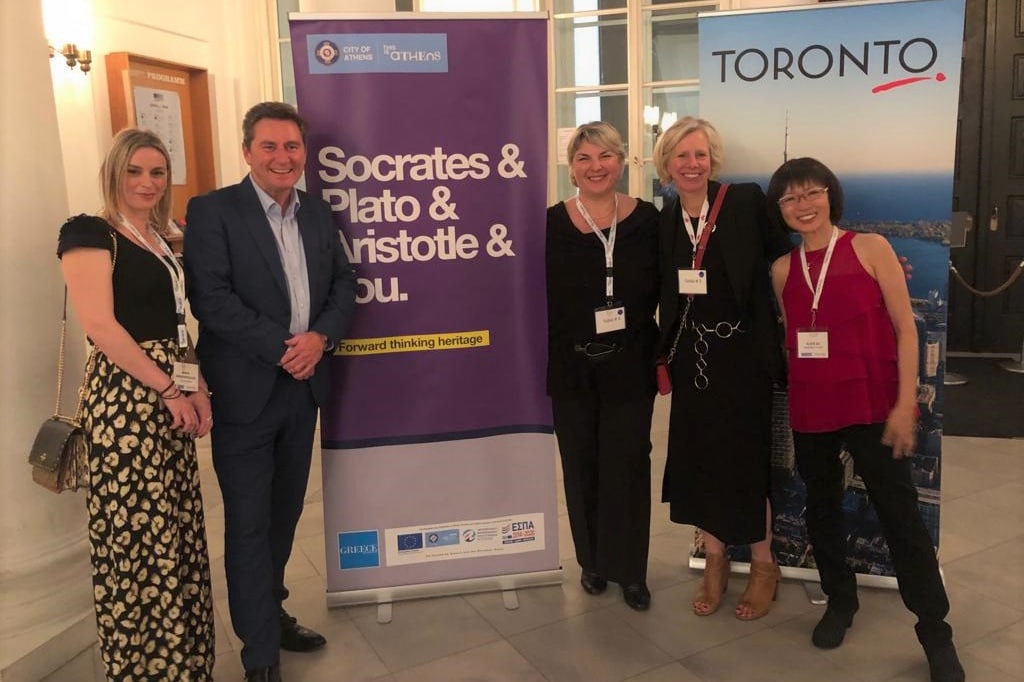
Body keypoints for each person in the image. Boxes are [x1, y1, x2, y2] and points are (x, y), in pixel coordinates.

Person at [767, 157, 964, 682]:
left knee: (901, 519)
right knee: (822, 509)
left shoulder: (871, 248)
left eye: (812, 192)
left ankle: (935, 631)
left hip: (872, 406)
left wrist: (904, 405)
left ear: (830, 195)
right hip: (813, 408)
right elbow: (793, 340)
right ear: (780, 210)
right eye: (790, 198)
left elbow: (906, 329)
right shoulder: (782, 270)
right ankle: (840, 600)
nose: (803, 205)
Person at [183, 102, 357, 682]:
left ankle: (272, 613)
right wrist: (287, 348)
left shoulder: (318, 213)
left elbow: (344, 283)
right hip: (246, 392)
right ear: (247, 151)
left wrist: (321, 338)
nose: (282, 157)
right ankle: (259, 651)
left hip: (302, 392)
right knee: (250, 522)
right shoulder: (212, 211)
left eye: (292, 146)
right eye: (269, 146)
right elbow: (211, 299)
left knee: (284, 515)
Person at [58, 128, 215, 680]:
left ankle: (183, 662)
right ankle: (144, 668)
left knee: (173, 526)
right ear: (113, 173)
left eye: (156, 172)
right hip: (126, 400)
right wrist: (168, 389)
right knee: (137, 534)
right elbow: (101, 326)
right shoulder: (89, 232)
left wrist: (196, 385)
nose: (147, 183)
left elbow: (176, 323)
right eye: (134, 171)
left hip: (168, 389)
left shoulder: (161, 238)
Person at [653, 116, 792, 620]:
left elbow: (783, 262)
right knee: (701, 458)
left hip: (744, 354)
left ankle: (763, 565)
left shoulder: (745, 201)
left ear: (712, 160)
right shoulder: (666, 218)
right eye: (681, 155)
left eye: (700, 154)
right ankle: (714, 560)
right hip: (693, 356)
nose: (692, 164)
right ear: (666, 164)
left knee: (746, 460)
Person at [546, 122, 660, 611]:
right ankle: (592, 562)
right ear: (571, 169)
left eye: (606, 156)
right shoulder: (550, 224)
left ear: (621, 162)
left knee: (628, 466)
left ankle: (631, 569)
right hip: (571, 367)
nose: (596, 167)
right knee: (581, 466)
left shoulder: (648, 220)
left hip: (630, 365)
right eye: (585, 158)